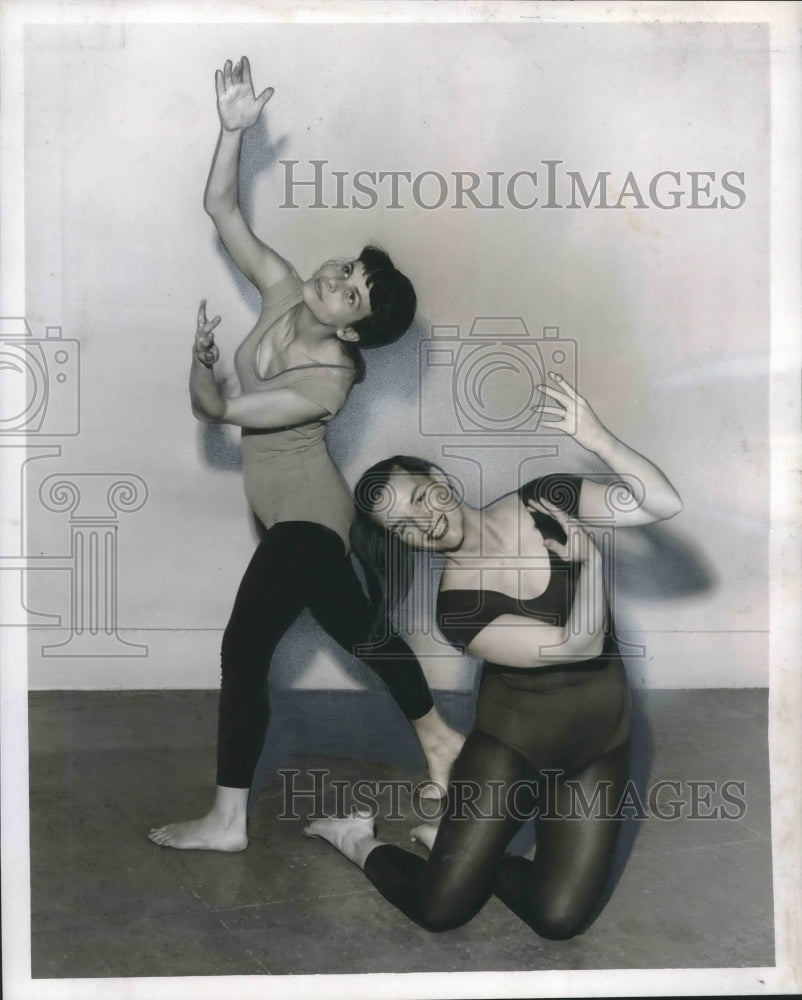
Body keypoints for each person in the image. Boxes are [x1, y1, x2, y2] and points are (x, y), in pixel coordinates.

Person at [148, 57, 462, 853]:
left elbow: (217, 409)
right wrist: (232, 131)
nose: (336, 278)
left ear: (354, 330)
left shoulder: (327, 381)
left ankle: (227, 821)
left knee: (243, 648)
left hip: (309, 522)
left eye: (351, 292)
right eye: (348, 271)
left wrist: (201, 359)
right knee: (365, 635)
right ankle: (441, 743)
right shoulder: (287, 288)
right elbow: (220, 208)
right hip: (301, 518)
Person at [304, 373, 683, 937]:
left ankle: (459, 850)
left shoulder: (543, 497)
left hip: (600, 741)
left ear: (437, 477)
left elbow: (661, 503)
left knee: (559, 919)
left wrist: (596, 437)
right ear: (402, 543)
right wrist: (587, 562)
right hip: (514, 751)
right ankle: (356, 836)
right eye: (403, 526)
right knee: (441, 910)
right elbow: (572, 645)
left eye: (421, 497)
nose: (425, 519)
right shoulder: (456, 609)